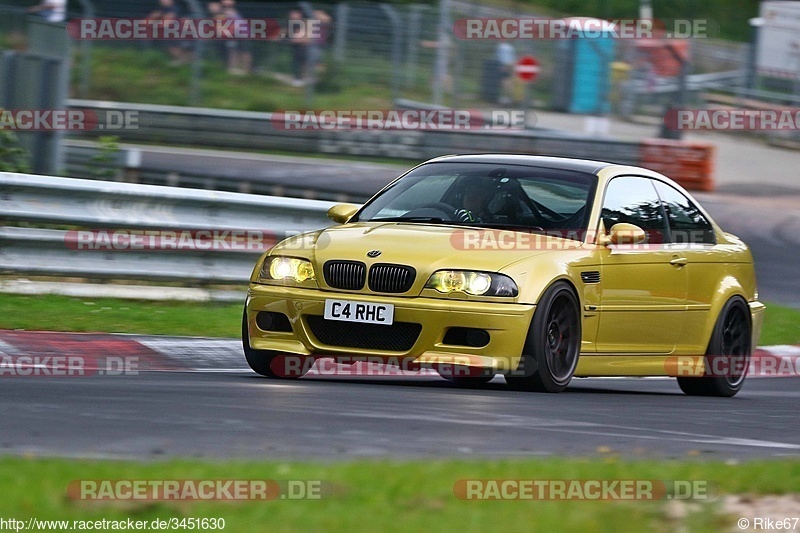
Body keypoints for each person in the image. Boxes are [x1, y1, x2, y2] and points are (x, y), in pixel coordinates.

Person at [148, 0, 188, 65]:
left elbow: (167, 21)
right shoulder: (162, 9)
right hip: (169, 32)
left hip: (178, 32)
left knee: (175, 46)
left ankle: (183, 61)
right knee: (170, 46)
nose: (163, 1)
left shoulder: (175, 8)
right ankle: (181, 61)